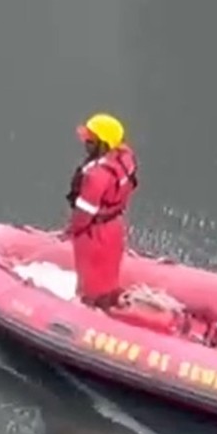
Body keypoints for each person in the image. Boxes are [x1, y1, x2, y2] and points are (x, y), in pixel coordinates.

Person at [63, 113, 139, 308]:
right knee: (107, 279)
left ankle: (89, 316)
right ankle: (109, 306)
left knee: (90, 287)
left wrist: (71, 230)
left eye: (90, 140)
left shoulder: (97, 176)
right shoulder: (124, 159)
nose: (85, 143)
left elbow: (84, 215)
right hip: (114, 226)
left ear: (102, 144)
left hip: (94, 234)